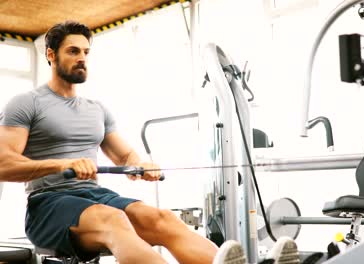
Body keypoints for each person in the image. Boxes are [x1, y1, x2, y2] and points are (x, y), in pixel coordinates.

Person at [0, 20, 218, 264]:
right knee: (114, 219)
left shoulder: (97, 110)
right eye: (73, 51)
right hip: (48, 203)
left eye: (85, 52)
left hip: (95, 196)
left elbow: (124, 157)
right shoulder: (26, 103)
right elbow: (3, 165)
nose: (82, 58)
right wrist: (61, 165)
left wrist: (141, 165)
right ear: (51, 55)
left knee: (162, 219)